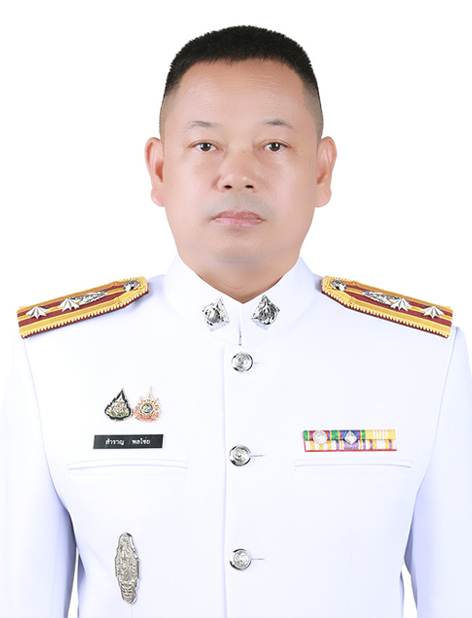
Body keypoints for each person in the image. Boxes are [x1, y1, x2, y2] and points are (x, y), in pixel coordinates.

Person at [1, 24, 471, 618]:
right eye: (206, 146)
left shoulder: (423, 359)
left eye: (273, 145)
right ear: (159, 170)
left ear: (322, 171)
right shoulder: (56, 359)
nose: (238, 175)